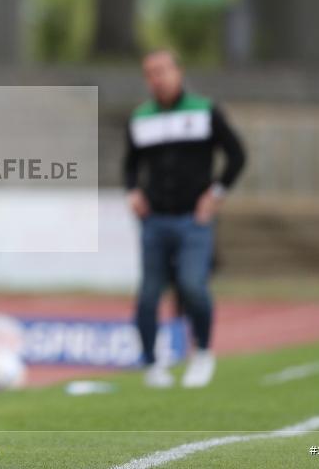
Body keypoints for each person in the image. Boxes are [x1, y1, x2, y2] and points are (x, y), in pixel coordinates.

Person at [122, 50, 245, 389]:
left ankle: (202, 353)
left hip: (194, 219)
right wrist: (133, 191)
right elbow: (132, 163)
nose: (156, 78)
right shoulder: (141, 117)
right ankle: (151, 365)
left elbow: (237, 155)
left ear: (178, 71)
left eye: (162, 70)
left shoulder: (204, 111)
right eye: (150, 73)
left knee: (193, 285)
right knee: (148, 294)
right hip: (155, 221)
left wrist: (216, 194)